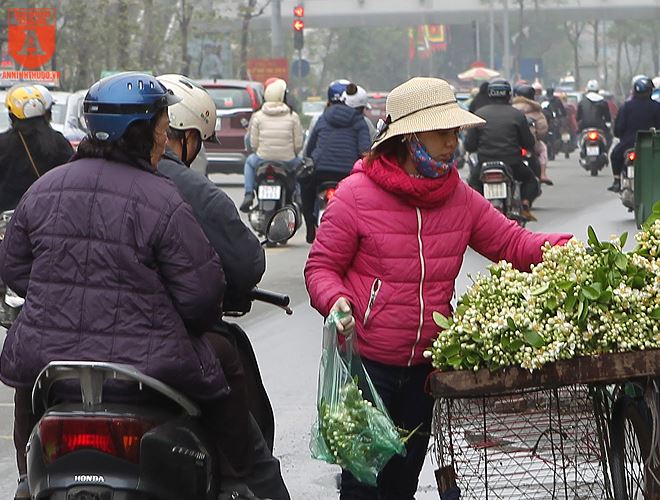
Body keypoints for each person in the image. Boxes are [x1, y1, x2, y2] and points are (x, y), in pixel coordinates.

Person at [304, 77, 572, 500]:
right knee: (362, 484)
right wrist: (335, 300)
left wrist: (568, 252)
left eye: (455, 133)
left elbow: (513, 244)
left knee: (402, 481)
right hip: (367, 366)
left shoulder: (459, 198)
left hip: (422, 373)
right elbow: (321, 267)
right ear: (410, 139)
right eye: (442, 133)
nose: (453, 144)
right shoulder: (356, 195)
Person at [0, 72, 231, 500]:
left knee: (26, 390)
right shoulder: (163, 198)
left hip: (54, 368)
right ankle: (251, 480)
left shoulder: (43, 189)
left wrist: (59, 297)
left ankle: (26, 482)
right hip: (147, 371)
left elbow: (14, 271)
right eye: (164, 126)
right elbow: (201, 299)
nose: (166, 138)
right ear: (144, 132)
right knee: (227, 356)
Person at [155, 74, 290, 500]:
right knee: (228, 360)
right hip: (158, 340)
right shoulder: (182, 191)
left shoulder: (60, 182)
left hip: (68, 347)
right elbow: (240, 266)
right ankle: (248, 480)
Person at [302, 82, 371, 243]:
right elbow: (365, 152)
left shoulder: (324, 117)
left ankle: (309, 228)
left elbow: (310, 147)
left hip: (320, 171)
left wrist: (311, 159)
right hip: (347, 174)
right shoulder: (360, 121)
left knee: (305, 188)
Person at [464, 78, 539, 221]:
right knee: (531, 180)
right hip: (512, 163)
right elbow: (528, 142)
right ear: (508, 95)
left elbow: (469, 145)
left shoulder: (479, 114)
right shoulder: (517, 115)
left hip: (484, 163)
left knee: (473, 184)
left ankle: (477, 211)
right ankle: (524, 205)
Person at [0, 84, 74, 212]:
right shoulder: (59, 142)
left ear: (12, 115)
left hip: (8, 218)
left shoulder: (3, 143)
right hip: (49, 215)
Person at [240, 78, 304, 212]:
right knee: (301, 165)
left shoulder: (258, 116)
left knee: (249, 163)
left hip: (262, 159)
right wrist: (292, 153)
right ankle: (299, 196)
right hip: (288, 160)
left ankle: (248, 194)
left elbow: (253, 144)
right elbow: (298, 145)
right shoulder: (293, 116)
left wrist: (261, 152)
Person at [608, 76, 660, 192]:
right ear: (650, 91)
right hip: (652, 145)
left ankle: (617, 181)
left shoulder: (626, 107)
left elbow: (618, 129)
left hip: (627, 144)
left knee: (614, 155)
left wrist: (620, 135)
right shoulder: (656, 108)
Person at [512, 83, 552, 185]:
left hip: (512, 143)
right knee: (543, 149)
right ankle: (543, 174)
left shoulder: (511, 108)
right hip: (531, 143)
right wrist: (537, 135)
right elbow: (542, 129)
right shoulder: (536, 110)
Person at [577, 80, 612, 146]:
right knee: (609, 137)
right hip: (599, 126)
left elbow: (578, 117)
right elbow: (607, 117)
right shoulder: (603, 102)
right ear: (597, 90)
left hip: (585, 125)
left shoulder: (582, 102)